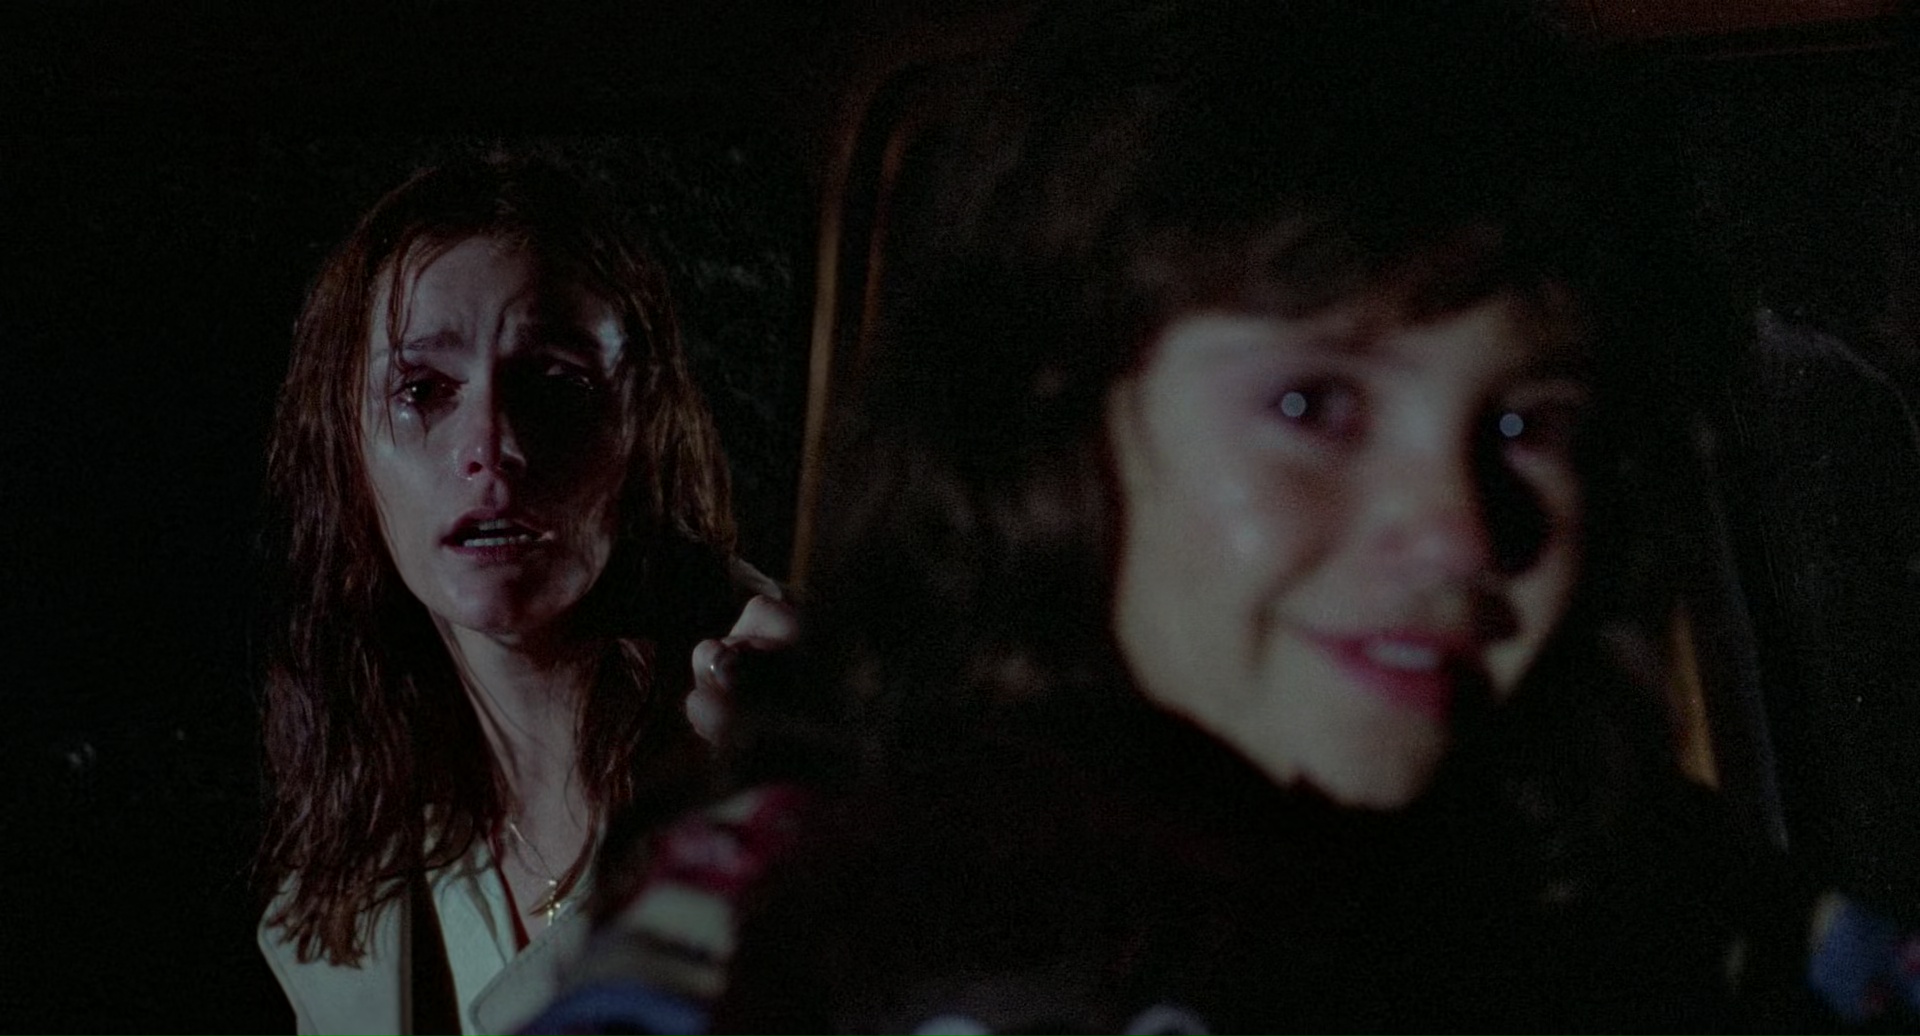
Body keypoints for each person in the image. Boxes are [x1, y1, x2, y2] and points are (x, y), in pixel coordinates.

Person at [523, 2, 1894, 1032]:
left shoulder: (1679, 912)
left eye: (1529, 426)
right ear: (1060, 432)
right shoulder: (793, 936)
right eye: (1312, 405)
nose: (1462, 535)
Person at [253, 152, 773, 1036]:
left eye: (556, 383)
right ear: (347, 450)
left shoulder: (782, 738)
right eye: (422, 390)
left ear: (644, 423)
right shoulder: (362, 853)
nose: (492, 446)